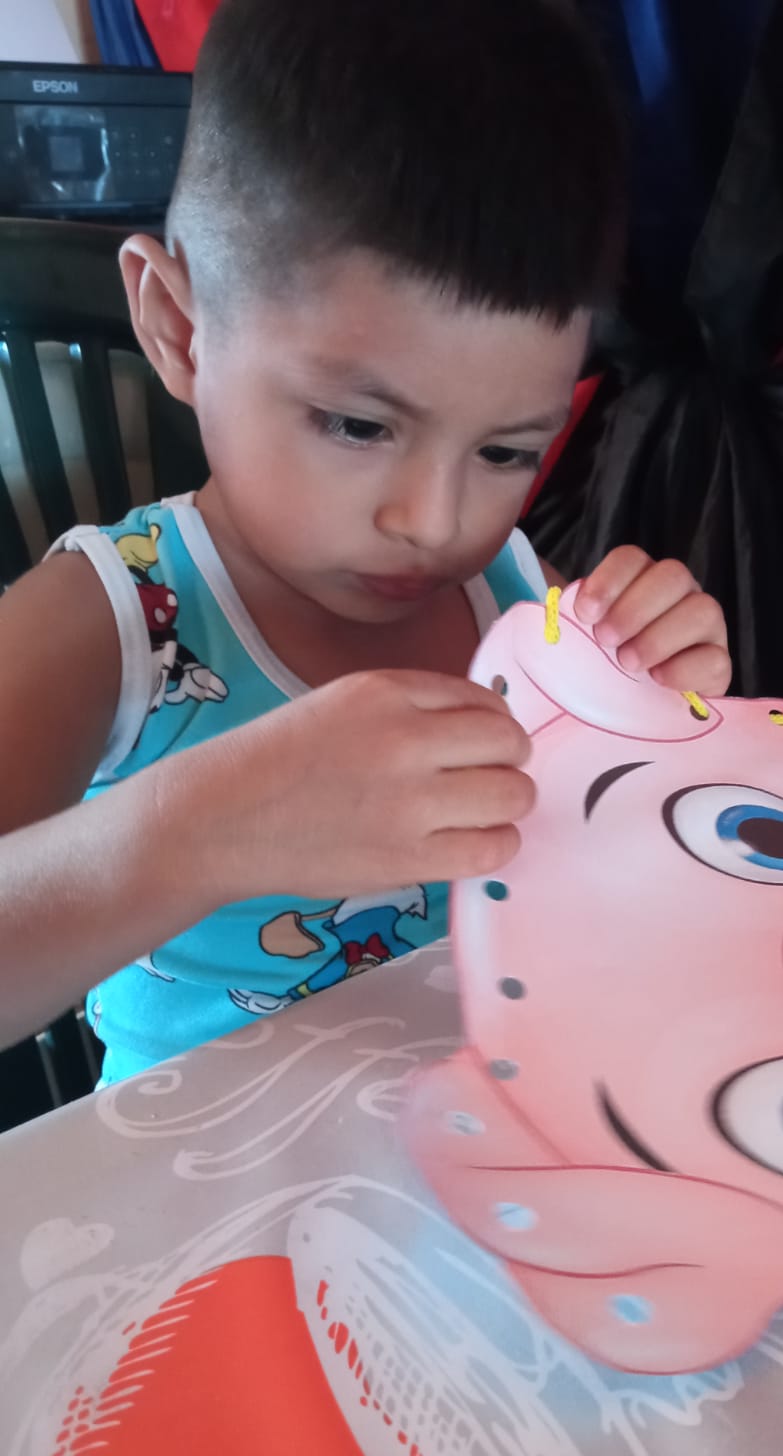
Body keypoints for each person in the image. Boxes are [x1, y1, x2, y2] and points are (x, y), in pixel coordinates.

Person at [0, 0, 730, 1084]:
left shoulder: (514, 591)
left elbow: (614, 867)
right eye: (357, 425)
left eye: (506, 451)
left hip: (485, 1136)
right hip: (203, 1176)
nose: (436, 522)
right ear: (179, 327)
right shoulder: (115, 623)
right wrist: (203, 827)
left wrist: (653, 721)